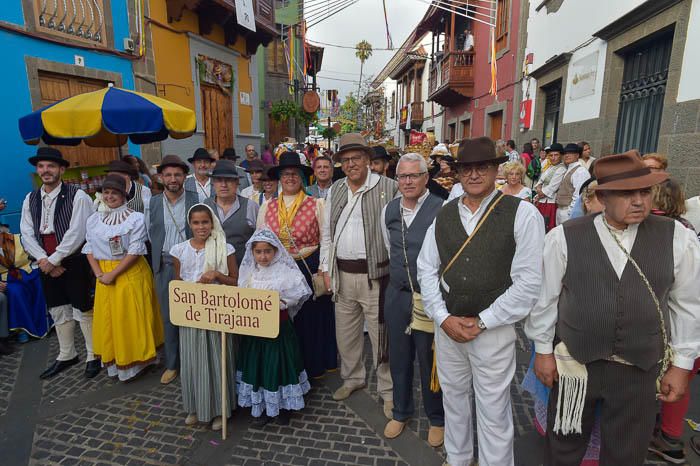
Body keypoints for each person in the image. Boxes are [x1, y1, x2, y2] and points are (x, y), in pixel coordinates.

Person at [525, 150, 700, 466]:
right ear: (602, 197)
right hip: (576, 365)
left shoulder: (678, 238)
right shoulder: (564, 237)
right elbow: (545, 299)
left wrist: (682, 363)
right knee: (563, 447)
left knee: (627, 453)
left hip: (639, 369)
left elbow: (687, 304)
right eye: (626, 193)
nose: (638, 201)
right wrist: (542, 351)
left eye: (644, 192)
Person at [417, 137, 545, 466]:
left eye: (482, 167)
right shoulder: (444, 215)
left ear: (495, 169)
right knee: (454, 401)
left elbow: (529, 281)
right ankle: (458, 459)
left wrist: (485, 320)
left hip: (492, 331)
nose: (474, 175)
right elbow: (426, 269)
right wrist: (443, 318)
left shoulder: (523, 213)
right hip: (448, 328)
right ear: (458, 173)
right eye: (467, 168)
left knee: (493, 408)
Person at [319, 133, 398, 418]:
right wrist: (325, 270)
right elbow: (326, 234)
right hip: (342, 274)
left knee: (382, 337)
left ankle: (388, 392)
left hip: (376, 277)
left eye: (356, 158)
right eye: (345, 159)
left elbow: (399, 233)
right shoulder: (336, 189)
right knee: (346, 334)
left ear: (367, 160)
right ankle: (353, 378)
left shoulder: (389, 188)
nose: (351, 164)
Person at [380, 153, 445, 447]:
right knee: (399, 356)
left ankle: (437, 417)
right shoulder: (389, 210)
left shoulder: (441, 209)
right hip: (396, 294)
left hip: (428, 296)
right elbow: (389, 244)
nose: (407, 181)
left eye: (413, 176)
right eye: (402, 176)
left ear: (425, 178)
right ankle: (401, 410)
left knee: (429, 357)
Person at [20, 147, 98, 379]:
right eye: (42, 166)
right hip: (45, 260)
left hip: (73, 260)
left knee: (82, 307)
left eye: (51, 166)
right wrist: (45, 260)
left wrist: (54, 260)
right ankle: (67, 354)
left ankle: (93, 355)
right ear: (37, 170)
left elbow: (77, 232)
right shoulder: (30, 198)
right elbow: (26, 232)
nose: (46, 171)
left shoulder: (78, 196)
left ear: (61, 169)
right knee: (57, 307)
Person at [258, 152, 337, 379]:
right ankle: (287, 367)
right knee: (284, 321)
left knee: (309, 320)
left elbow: (326, 239)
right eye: (285, 174)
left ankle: (311, 367)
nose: (290, 178)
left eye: (294, 173)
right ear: (279, 179)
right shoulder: (268, 207)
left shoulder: (317, 204)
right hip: (278, 267)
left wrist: (323, 268)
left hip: (307, 264)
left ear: (302, 177)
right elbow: (261, 238)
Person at [83, 175, 163, 382]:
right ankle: (117, 359)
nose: (110, 197)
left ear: (123, 196)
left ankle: (139, 360)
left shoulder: (135, 218)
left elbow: (136, 250)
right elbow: (89, 248)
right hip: (104, 274)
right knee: (111, 320)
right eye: (106, 193)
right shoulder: (94, 219)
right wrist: (100, 274)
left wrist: (113, 274)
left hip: (130, 272)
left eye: (115, 193)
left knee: (131, 316)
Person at [170, 204, 238, 431]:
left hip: (216, 315)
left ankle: (220, 410)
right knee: (192, 362)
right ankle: (196, 407)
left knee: (217, 362)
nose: (201, 227)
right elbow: (177, 281)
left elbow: (236, 281)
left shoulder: (224, 248)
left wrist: (217, 274)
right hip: (191, 315)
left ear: (212, 223)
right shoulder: (179, 250)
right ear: (190, 224)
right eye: (196, 223)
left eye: (205, 222)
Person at [646, 177, 700, 464]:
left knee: (668, 381)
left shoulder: (675, 233)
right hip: (682, 328)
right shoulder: (686, 227)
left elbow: (685, 299)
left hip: (670, 327)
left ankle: (668, 439)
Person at [236, 228, 312, 426]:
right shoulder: (250, 273)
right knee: (259, 365)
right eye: (258, 252)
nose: (263, 256)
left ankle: (284, 407)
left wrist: (282, 302)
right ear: (252, 252)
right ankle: (262, 407)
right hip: (256, 331)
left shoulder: (284, 272)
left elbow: (298, 294)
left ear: (276, 251)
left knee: (279, 364)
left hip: (279, 328)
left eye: (267, 251)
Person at [147, 155, 199, 385]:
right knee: (168, 317)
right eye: (168, 175)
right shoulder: (154, 202)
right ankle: (172, 364)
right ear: (161, 177)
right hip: (164, 264)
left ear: (184, 177)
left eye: (177, 174)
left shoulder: (196, 199)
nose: (173, 179)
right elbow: (151, 232)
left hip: (191, 265)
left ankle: (194, 361)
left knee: (194, 314)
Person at [203, 160, 258, 268]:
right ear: (213, 183)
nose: (223, 185)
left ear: (237, 182)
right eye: (219, 180)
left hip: (243, 269)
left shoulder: (250, 206)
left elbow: (259, 240)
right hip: (212, 269)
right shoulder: (206, 205)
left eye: (228, 180)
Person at [0, 231, 50, 342]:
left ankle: (45, 324)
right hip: (6, 280)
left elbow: (35, 253)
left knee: (40, 283)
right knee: (16, 292)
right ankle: (23, 329)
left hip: (27, 272)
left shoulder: (18, 238)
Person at [555, 143, 590, 225]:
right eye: (565, 153)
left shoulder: (580, 171)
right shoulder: (569, 169)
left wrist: (571, 213)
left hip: (568, 211)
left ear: (577, 155)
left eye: (570, 153)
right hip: (561, 209)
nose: (567, 155)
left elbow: (579, 195)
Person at [534, 144, 566, 231]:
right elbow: (538, 183)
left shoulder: (561, 169)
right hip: (542, 202)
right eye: (551, 155)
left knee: (547, 228)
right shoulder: (549, 167)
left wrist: (540, 191)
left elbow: (550, 189)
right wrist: (539, 189)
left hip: (551, 203)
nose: (553, 158)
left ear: (561, 156)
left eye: (556, 155)